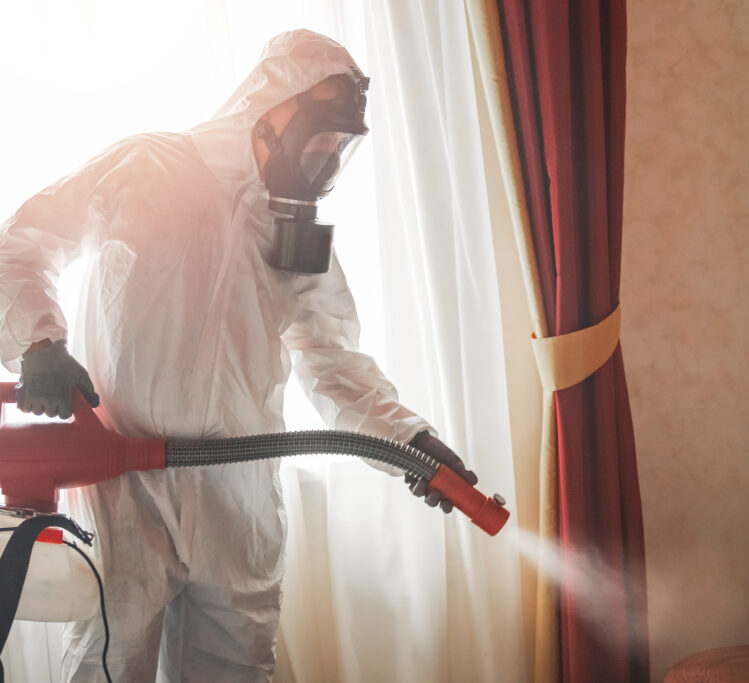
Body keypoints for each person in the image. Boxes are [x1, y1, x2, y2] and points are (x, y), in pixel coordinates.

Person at [0, 29, 475, 682]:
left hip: (238, 501)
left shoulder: (296, 233)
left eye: (343, 145)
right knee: (105, 666)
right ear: (276, 105)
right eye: (323, 136)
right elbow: (25, 241)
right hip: (126, 484)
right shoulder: (146, 167)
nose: (328, 158)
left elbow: (335, 362)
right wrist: (39, 341)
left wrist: (411, 440)